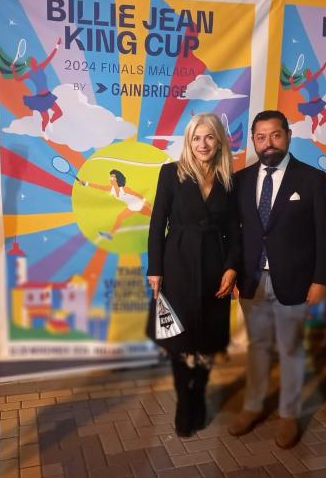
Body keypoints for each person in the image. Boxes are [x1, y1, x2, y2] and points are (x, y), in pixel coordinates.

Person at [230, 110, 326, 448]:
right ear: (253, 140)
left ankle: (289, 414)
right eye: (260, 137)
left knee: (291, 347)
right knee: (258, 347)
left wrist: (320, 280)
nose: (268, 143)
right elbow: (233, 234)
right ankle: (252, 407)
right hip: (252, 282)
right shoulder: (242, 180)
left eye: (275, 135)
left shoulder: (312, 180)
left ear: (288, 136)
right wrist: (232, 270)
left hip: (295, 281)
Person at [147, 113, 240, 437]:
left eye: (209, 137)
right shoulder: (170, 173)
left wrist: (232, 267)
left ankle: (199, 393)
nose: (203, 144)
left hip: (215, 265)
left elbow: (234, 231)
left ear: (218, 142)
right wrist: (155, 269)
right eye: (196, 138)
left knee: (208, 338)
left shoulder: (230, 179)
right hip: (177, 264)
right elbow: (158, 223)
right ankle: (184, 402)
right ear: (189, 141)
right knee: (178, 339)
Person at [10, 38, 63, 137]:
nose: (35, 61)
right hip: (40, 99)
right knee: (45, 119)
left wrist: (57, 45)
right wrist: (13, 70)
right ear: (30, 64)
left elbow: (50, 57)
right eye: (33, 61)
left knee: (59, 113)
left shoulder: (41, 66)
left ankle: (50, 125)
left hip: (48, 96)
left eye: (35, 60)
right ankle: (43, 131)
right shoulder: (29, 74)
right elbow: (17, 79)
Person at [80, 169, 152, 239]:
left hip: (141, 205)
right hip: (132, 207)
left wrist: (146, 203)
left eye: (112, 176)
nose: (110, 178)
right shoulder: (112, 189)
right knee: (119, 217)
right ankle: (110, 235)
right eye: (110, 176)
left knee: (153, 216)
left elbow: (138, 195)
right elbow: (100, 187)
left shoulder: (125, 189)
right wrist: (86, 184)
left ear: (117, 178)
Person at [289, 52, 326, 134]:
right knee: (315, 122)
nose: (310, 72)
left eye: (310, 71)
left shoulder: (314, 77)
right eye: (309, 72)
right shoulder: (305, 83)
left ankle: (319, 127)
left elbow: (322, 68)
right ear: (306, 75)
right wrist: (291, 82)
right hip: (312, 105)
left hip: (318, 102)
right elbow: (294, 89)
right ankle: (313, 134)